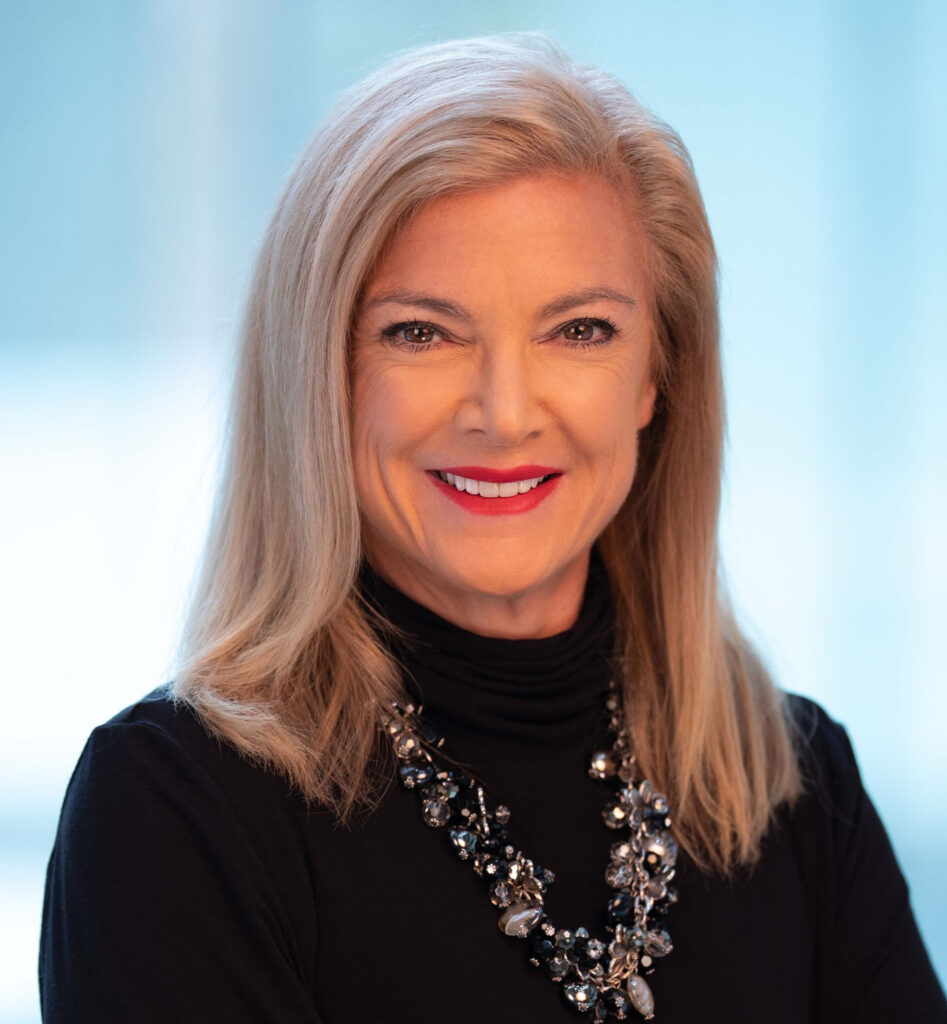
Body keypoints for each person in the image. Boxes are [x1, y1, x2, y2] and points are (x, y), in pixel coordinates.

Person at [39, 32, 946, 1024]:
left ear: (655, 376)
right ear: (320, 377)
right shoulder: (173, 808)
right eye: (421, 332)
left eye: (579, 330)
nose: (504, 414)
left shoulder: (795, 782)